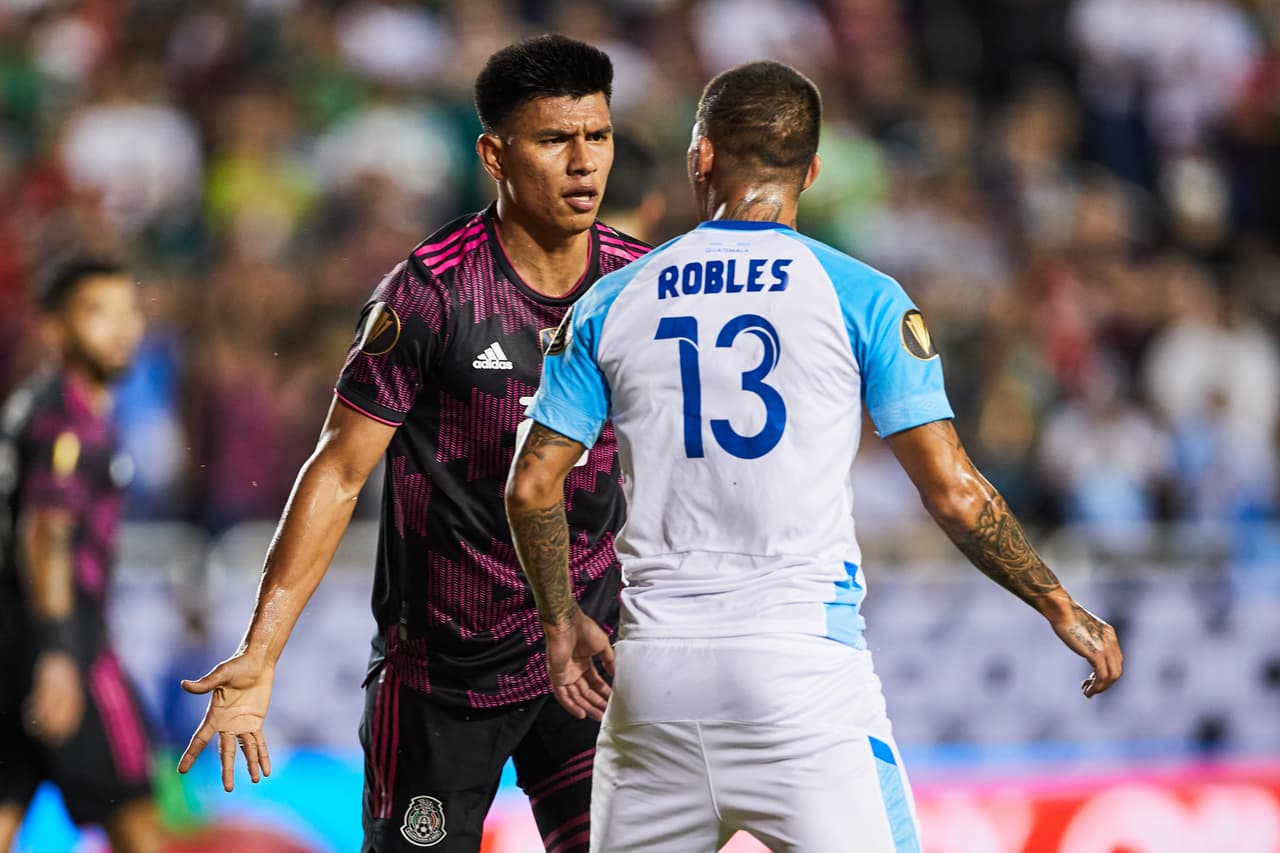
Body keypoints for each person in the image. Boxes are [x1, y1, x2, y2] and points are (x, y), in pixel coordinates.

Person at [505, 61, 1124, 853]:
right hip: (798, 673)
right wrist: (1060, 604)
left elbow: (531, 486)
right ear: (814, 171)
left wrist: (560, 621)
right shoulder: (861, 296)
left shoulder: (611, 300)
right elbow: (957, 493)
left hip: (653, 675)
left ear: (702, 156)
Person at [176, 34, 648, 853]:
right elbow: (337, 470)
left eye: (597, 136)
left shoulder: (641, 287)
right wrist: (261, 651)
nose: (583, 162)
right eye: (553, 139)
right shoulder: (430, 292)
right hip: (443, 676)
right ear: (494, 155)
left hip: (587, 659)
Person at [0, 258, 164, 853]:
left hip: (11, 642)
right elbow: (46, 533)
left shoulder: (32, 404)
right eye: (98, 312)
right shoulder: (69, 422)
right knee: (138, 822)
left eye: (130, 311)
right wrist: (59, 653)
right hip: (69, 649)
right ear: (55, 328)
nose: (122, 328)